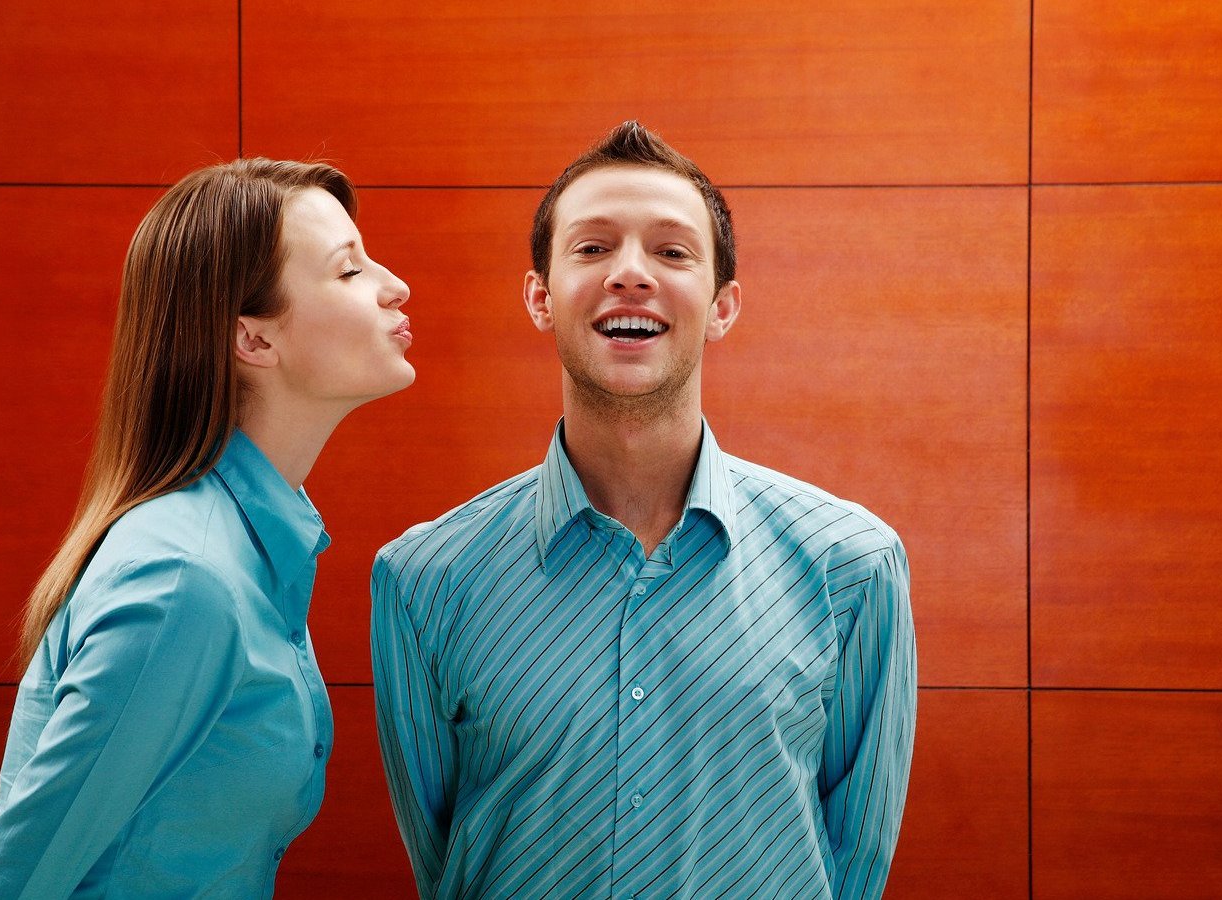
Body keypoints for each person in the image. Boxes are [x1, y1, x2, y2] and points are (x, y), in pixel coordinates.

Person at [371, 122, 915, 899]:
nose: (630, 274)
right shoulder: (424, 581)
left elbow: (854, 863)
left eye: (672, 251)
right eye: (592, 249)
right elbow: (447, 859)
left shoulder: (852, 567)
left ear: (723, 306)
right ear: (540, 298)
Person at [0, 158, 414, 898]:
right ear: (253, 341)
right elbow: (8, 883)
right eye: (349, 269)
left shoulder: (247, 554)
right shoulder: (184, 581)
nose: (397, 286)